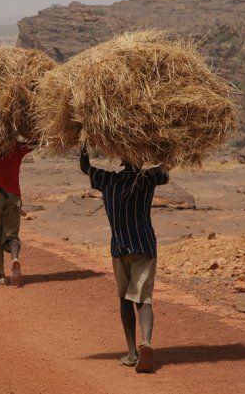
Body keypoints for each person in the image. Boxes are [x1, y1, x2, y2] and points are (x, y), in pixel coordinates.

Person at [80, 146, 169, 373]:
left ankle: (132, 353)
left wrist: (83, 142)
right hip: (145, 247)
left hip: (119, 249)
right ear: (141, 162)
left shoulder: (108, 181)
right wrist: (166, 147)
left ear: (121, 161)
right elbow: (167, 168)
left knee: (124, 299)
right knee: (144, 299)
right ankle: (146, 342)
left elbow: (85, 167)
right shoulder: (148, 179)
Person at [0, 141, 33, 287]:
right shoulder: (17, 151)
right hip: (14, 198)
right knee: (12, 234)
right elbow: (36, 142)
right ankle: (14, 259)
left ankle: (0, 276)